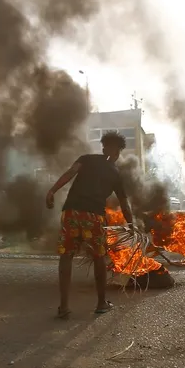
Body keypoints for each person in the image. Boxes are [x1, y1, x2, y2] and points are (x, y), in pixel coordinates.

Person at [46, 131, 133, 318]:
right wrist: (131, 225)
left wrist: (52, 190)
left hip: (71, 213)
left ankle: (63, 307)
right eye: (118, 151)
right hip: (93, 217)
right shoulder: (115, 173)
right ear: (117, 151)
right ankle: (101, 303)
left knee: (66, 256)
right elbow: (125, 204)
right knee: (99, 257)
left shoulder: (86, 159)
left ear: (103, 148)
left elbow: (70, 173)